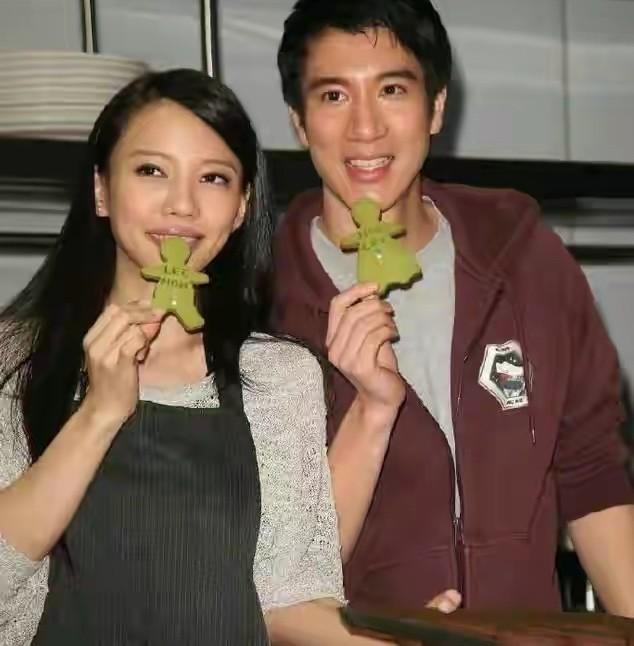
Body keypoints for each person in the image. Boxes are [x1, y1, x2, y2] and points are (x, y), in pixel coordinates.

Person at [0, 69, 458, 645]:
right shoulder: (15, 359)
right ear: (101, 189)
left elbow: (286, 600)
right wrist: (98, 414)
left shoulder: (278, 374)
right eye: (151, 171)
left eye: (213, 178)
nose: (182, 204)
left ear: (241, 207)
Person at [272, 0, 634, 616]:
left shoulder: (526, 260)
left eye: (392, 90)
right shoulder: (263, 299)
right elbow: (261, 564)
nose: (365, 128)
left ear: (436, 107)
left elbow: (592, 474)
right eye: (334, 96)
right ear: (299, 122)